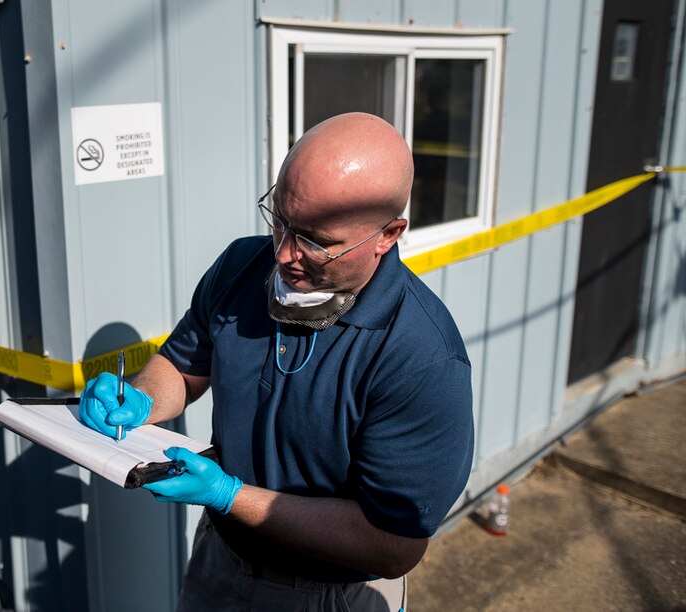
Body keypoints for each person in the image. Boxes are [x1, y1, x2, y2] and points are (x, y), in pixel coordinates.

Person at [78, 112, 474, 611]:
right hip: (219, 557)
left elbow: (393, 544)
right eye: (281, 220)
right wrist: (140, 397)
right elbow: (183, 365)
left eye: (316, 240)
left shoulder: (422, 356)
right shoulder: (241, 267)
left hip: (332, 594)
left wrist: (229, 495)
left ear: (387, 235)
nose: (285, 253)